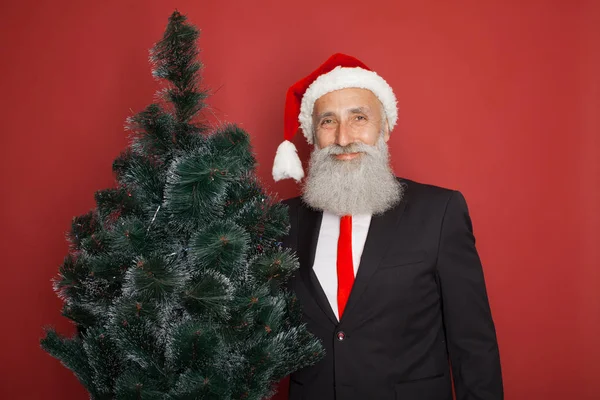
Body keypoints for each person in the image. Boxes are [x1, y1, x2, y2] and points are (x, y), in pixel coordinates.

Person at [272, 53, 503, 400]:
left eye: (359, 118)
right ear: (312, 135)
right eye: (328, 122)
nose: (344, 137)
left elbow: (473, 345)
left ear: (384, 127)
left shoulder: (439, 212)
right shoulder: (282, 221)